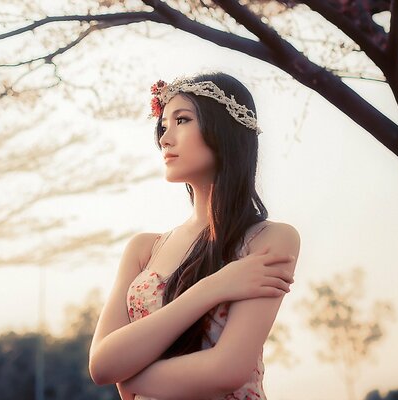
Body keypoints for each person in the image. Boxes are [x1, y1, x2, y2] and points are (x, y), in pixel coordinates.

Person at [88, 72, 300, 400]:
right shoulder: (144, 249)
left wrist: (130, 379)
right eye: (163, 126)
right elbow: (102, 365)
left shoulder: (269, 240)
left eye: (182, 120)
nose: (164, 139)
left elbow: (225, 371)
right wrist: (213, 287)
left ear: (224, 130)